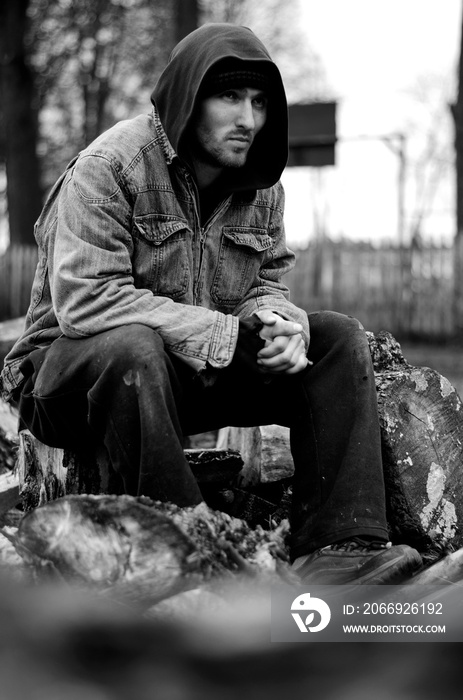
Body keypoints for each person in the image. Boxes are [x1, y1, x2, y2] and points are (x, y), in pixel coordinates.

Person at [1, 23, 422, 584]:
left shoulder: (262, 187)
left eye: (259, 102)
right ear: (187, 99)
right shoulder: (110, 167)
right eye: (229, 97)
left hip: (183, 375)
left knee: (338, 337)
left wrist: (279, 324)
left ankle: (339, 548)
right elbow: (87, 303)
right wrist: (223, 335)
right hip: (68, 380)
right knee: (133, 346)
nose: (248, 119)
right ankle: (194, 555)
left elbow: (266, 280)